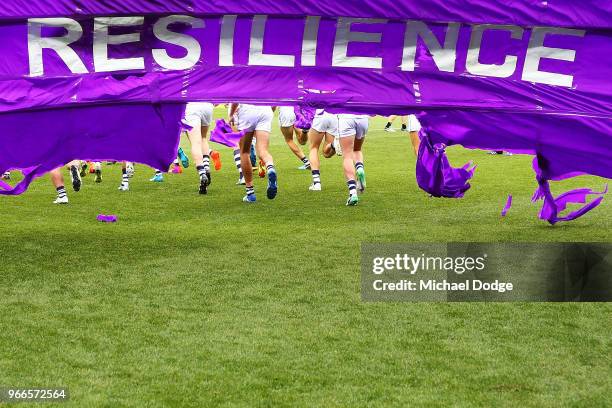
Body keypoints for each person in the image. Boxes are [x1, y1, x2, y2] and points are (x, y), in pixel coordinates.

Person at [228, 103, 278, 203]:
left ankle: (250, 194)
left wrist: (231, 114)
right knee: (263, 150)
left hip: (247, 111)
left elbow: (236, 98)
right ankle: (270, 167)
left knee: (244, 152)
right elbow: (274, 100)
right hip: (265, 109)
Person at [335, 114, 369, 206]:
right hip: (363, 118)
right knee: (357, 149)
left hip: (346, 118)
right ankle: (360, 168)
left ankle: (353, 193)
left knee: (347, 156)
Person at [307, 110, 339, 191]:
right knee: (326, 153)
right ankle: (333, 145)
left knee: (313, 148)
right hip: (333, 116)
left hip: (320, 114)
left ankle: (316, 183)